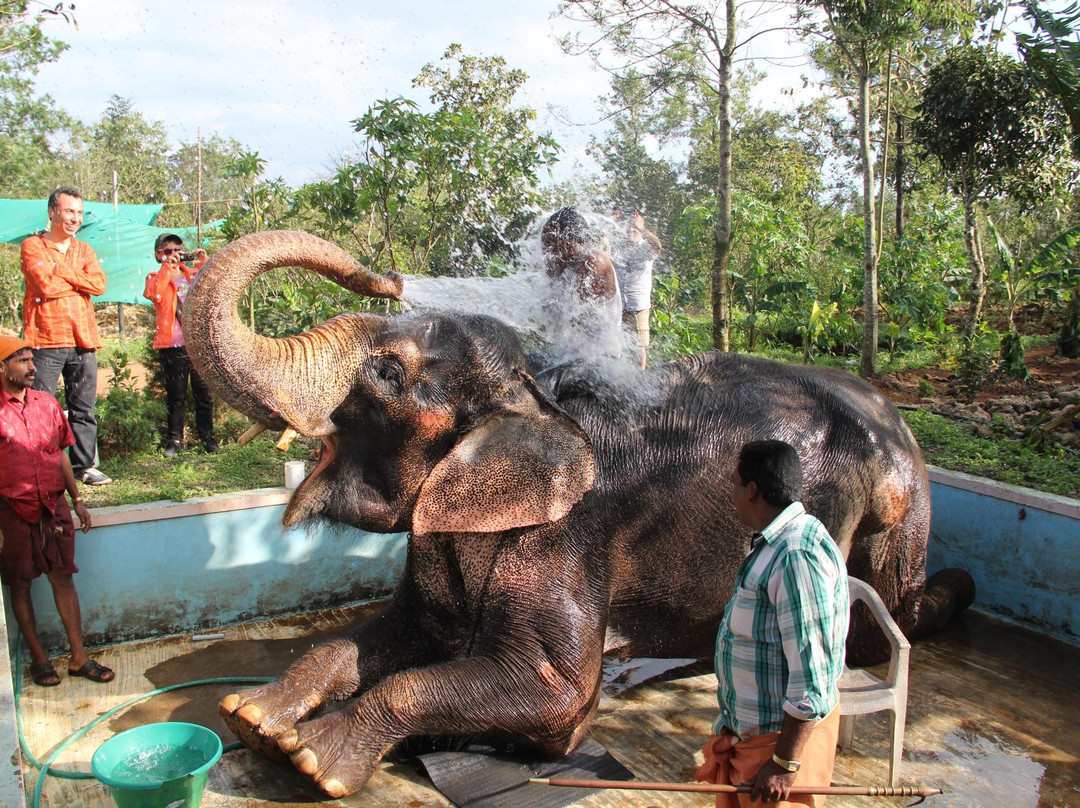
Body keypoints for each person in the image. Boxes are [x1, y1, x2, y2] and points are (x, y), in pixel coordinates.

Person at [696, 440, 849, 808]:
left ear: (752, 490)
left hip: (776, 751)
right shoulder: (774, 543)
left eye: (734, 484)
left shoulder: (797, 555)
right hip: (751, 742)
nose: (730, 495)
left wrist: (783, 764)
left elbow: (812, 680)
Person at [0, 335, 115, 686]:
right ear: (2, 367)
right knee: (19, 584)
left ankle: (79, 658)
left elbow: (61, 453)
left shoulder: (46, 403)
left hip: (54, 507)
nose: (32, 367)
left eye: (31, 359)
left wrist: (77, 499)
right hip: (13, 510)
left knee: (62, 577)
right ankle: (39, 658)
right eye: (21, 360)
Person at [20, 187, 111, 485]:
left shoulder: (84, 250)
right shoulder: (33, 246)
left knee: (84, 407)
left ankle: (83, 467)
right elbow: (44, 286)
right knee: (42, 406)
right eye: (69, 211)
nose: (75, 218)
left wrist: (64, 272)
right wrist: (78, 281)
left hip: (83, 339)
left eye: (79, 212)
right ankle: (42, 469)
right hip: (46, 338)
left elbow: (98, 285)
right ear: (52, 212)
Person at [143, 233, 217, 456]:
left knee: (203, 393)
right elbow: (154, 293)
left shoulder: (191, 274)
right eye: (168, 251)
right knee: (176, 395)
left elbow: (210, 283)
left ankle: (207, 437)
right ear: (159, 255)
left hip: (196, 343)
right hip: (172, 345)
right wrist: (169, 268)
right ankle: (174, 440)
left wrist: (203, 261)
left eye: (178, 250)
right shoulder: (154, 276)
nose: (174, 254)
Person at [540, 207, 622, 355]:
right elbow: (549, 318)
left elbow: (571, 321)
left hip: (600, 360)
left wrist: (558, 270)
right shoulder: (566, 265)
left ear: (572, 241)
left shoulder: (594, 262)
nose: (547, 255)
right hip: (572, 354)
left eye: (551, 246)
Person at [611, 207, 662, 369]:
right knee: (615, 345)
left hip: (638, 305)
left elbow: (658, 245)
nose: (631, 229)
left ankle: (639, 376)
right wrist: (612, 221)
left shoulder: (646, 247)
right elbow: (600, 242)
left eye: (634, 226)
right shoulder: (617, 247)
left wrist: (642, 227)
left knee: (638, 347)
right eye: (628, 225)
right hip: (618, 305)